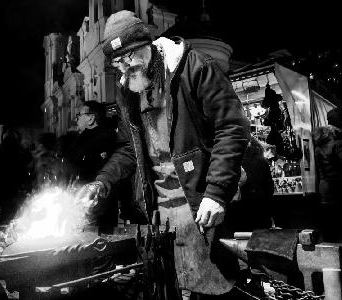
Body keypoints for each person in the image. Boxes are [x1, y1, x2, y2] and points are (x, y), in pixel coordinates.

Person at [81, 10, 250, 298]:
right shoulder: (128, 91)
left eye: (130, 56)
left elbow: (231, 127)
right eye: (118, 62)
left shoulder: (194, 67)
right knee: (169, 288)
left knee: (213, 287)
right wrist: (102, 182)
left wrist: (217, 192)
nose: (125, 67)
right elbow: (128, 148)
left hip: (201, 203)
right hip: (160, 215)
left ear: (148, 44)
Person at [67, 101, 118, 231]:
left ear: (91, 118)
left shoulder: (104, 137)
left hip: (96, 203)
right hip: (80, 199)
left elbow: (97, 169)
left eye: (79, 114)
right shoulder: (82, 138)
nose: (76, 118)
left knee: (97, 240)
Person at [0, 129, 33, 227]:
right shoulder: (18, 157)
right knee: (8, 224)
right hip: (7, 198)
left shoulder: (20, 157)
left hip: (13, 198)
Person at [228, 137, 274, 232]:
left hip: (239, 211)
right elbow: (270, 189)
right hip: (260, 210)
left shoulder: (233, 161)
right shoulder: (262, 161)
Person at [313, 125, 342, 242]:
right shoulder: (337, 145)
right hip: (339, 186)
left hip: (324, 187)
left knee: (330, 218)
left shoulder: (317, 149)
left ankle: (331, 242)